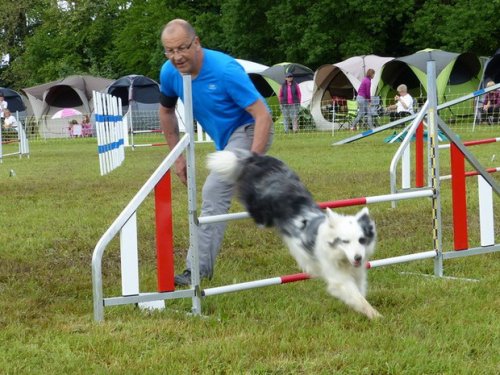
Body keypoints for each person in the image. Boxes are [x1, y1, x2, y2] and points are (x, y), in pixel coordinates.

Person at [159, 19, 274, 286]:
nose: (176, 57)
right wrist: (177, 156)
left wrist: (251, 164)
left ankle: (196, 272)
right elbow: (165, 111)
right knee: (221, 187)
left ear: (196, 43)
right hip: (225, 140)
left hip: (250, 129)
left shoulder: (225, 70)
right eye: (169, 50)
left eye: (182, 48)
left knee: (213, 190)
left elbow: (262, 115)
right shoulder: (169, 72)